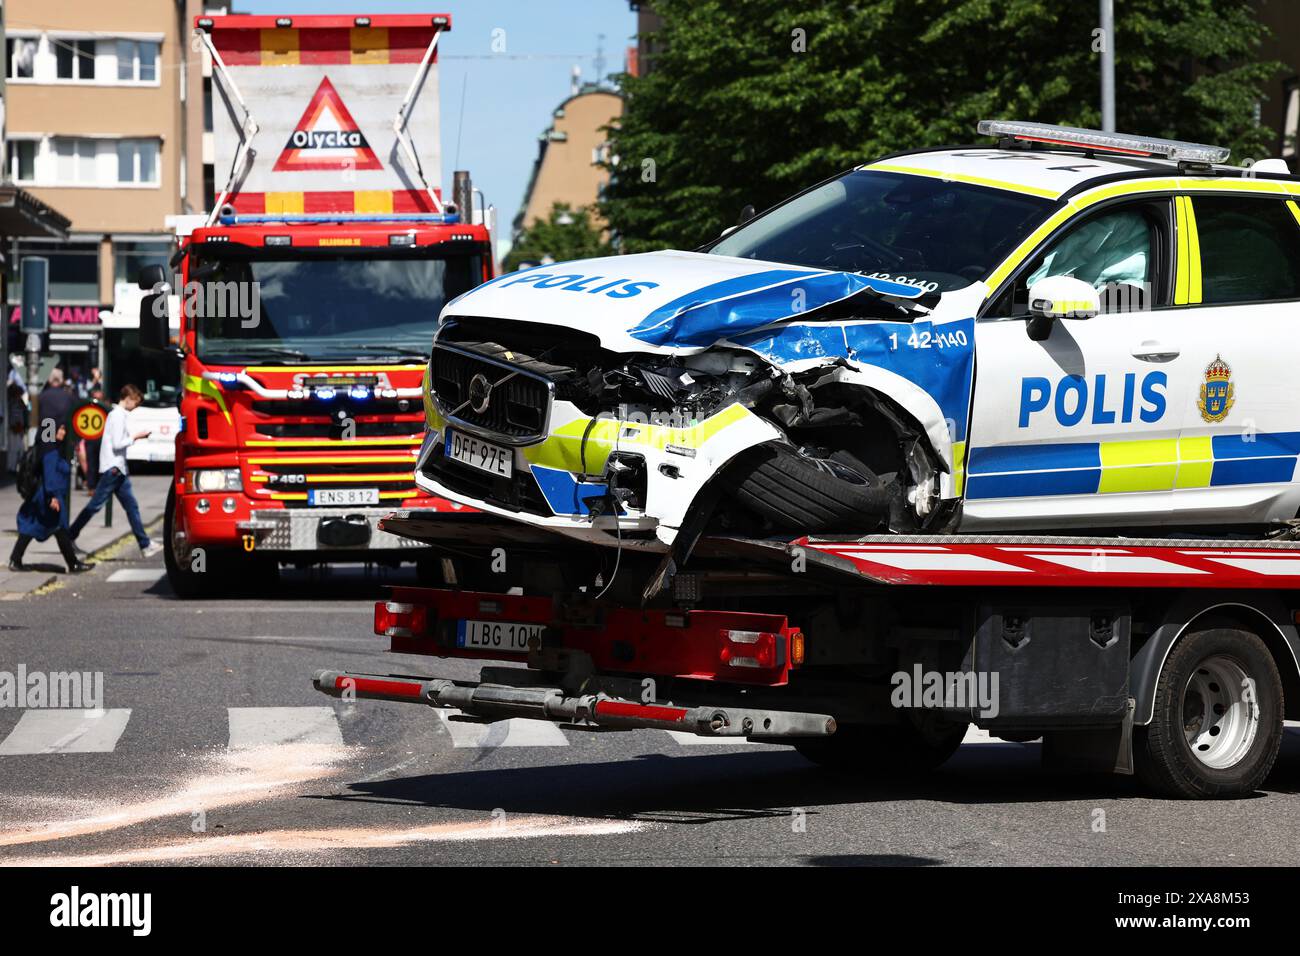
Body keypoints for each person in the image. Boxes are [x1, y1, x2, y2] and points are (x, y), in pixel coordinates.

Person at [68, 384, 161, 558]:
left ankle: (145, 544)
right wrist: (136, 436)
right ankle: (69, 536)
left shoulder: (116, 415)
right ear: (129, 398)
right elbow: (119, 443)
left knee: (130, 507)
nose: (136, 408)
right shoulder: (117, 416)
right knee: (95, 506)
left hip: (118, 469)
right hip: (114, 469)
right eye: (136, 403)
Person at [9, 421, 93, 573]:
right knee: (58, 527)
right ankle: (73, 564)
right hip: (47, 495)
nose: (63, 432)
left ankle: (15, 560)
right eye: (59, 429)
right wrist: (52, 497)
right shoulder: (51, 451)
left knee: (32, 526)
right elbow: (50, 474)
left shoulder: (48, 447)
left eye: (63, 429)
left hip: (42, 495)